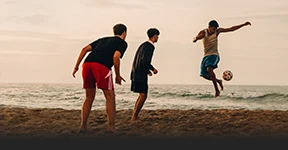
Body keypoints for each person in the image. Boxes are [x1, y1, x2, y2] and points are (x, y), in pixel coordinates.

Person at [72, 23, 128, 133]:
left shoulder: (102, 40)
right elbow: (116, 57)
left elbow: (84, 49)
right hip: (101, 66)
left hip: (87, 64)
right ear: (124, 33)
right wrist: (118, 75)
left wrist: (76, 67)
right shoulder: (122, 43)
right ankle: (111, 128)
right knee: (110, 96)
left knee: (89, 97)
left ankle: (83, 126)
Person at [193, 20, 251, 97]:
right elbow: (196, 38)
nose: (214, 31)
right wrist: (197, 38)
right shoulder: (203, 32)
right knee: (204, 75)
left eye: (215, 29)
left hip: (214, 55)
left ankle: (217, 90)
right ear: (209, 27)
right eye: (213, 29)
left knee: (209, 69)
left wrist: (243, 24)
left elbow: (231, 29)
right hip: (206, 55)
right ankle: (218, 81)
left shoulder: (218, 31)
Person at [130, 28, 160, 121]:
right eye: (157, 36)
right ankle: (134, 116)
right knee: (143, 95)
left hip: (135, 71)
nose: (158, 38)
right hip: (140, 73)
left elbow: (140, 60)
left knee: (141, 94)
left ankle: (134, 115)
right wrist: (152, 69)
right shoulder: (150, 46)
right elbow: (145, 60)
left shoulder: (142, 45)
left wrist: (147, 70)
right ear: (154, 36)